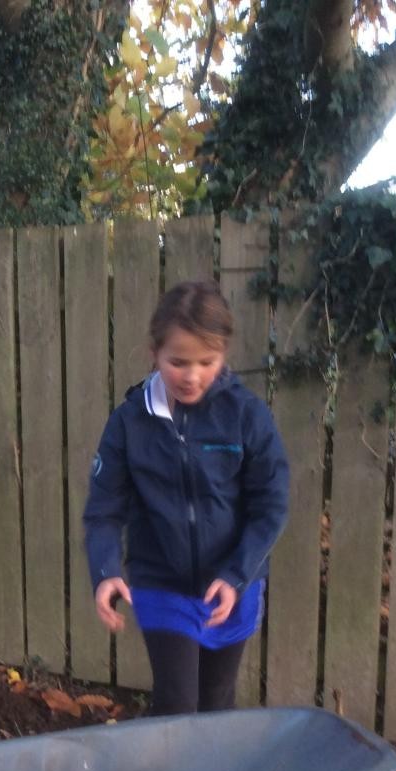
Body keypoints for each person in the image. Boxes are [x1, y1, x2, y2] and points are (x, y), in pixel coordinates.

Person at [84, 280, 289, 715]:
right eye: (177, 361)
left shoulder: (246, 416)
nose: (191, 375)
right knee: (178, 705)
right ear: (154, 353)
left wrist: (236, 575)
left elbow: (270, 505)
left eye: (206, 362)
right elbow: (103, 510)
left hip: (232, 585)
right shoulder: (129, 423)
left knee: (216, 704)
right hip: (161, 582)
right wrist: (104, 570)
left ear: (223, 356)